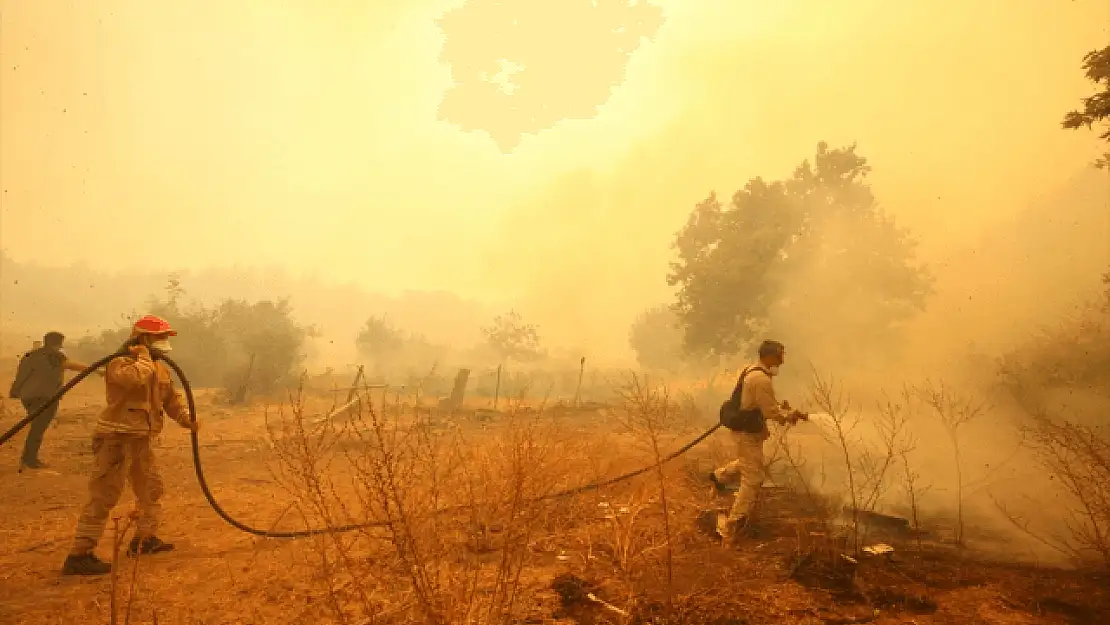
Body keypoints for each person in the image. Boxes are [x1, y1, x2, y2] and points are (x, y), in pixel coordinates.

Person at [62, 315, 200, 576]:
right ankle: (79, 554)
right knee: (104, 496)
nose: (163, 345)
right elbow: (134, 379)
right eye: (158, 339)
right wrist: (144, 357)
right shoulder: (120, 364)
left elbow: (170, 398)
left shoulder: (159, 368)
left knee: (151, 489)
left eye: (165, 339)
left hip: (141, 440)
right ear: (142, 339)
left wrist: (184, 418)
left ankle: (144, 540)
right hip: (116, 439)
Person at [710, 340, 806, 542]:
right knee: (753, 478)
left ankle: (719, 477)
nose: (782, 359)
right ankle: (732, 524)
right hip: (747, 434)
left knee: (749, 464)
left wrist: (783, 408)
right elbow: (770, 411)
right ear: (770, 356)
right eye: (780, 355)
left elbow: (761, 402)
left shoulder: (752, 371)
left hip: (748, 431)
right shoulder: (760, 379)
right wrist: (788, 416)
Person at [8, 332, 96, 471]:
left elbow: (22, 374)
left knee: (36, 426)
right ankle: (29, 460)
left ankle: (29, 458)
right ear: (59, 343)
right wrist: (96, 369)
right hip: (45, 397)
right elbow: (70, 364)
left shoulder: (30, 355)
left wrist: (16, 391)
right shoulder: (54, 354)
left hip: (27, 396)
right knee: (38, 428)